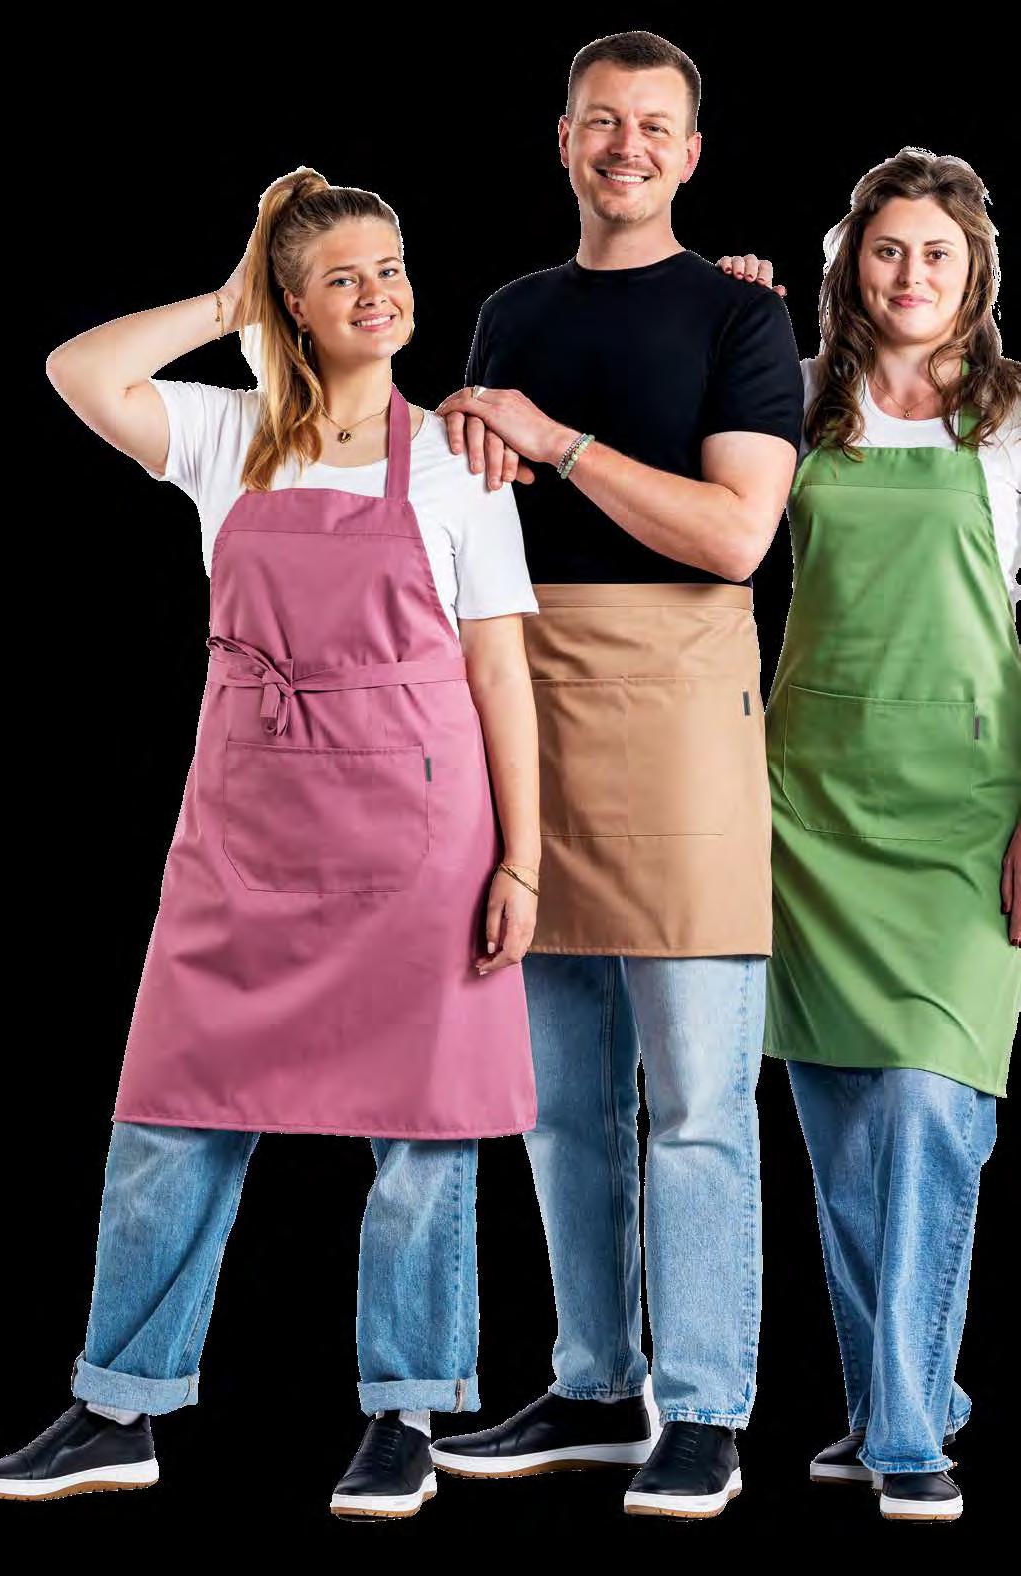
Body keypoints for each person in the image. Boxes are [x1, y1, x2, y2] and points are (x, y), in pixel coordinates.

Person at [0, 168, 544, 1520]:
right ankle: (118, 1406)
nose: (377, 294)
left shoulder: (454, 461)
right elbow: (78, 370)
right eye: (341, 277)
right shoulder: (228, 435)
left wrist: (522, 859)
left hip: (421, 833)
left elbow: (501, 674)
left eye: (390, 268)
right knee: (170, 1113)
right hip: (246, 829)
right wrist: (227, 299)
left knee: (424, 1137)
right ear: (291, 304)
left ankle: (405, 1417)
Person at [420, 32, 804, 1518]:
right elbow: (473, 514)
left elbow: (735, 536)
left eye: (653, 125)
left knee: (697, 1098)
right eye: (600, 121)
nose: (624, 145)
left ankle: (704, 1409)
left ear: (690, 154)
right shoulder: (509, 311)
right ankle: (592, 1385)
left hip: (683, 708)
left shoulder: (739, 315)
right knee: (557, 1100)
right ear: (564, 140)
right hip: (522, 699)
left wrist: (553, 441)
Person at [716, 149, 1020, 1523]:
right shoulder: (794, 397)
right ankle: (893, 1407)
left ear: (974, 272)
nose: (909, 275)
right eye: (886, 250)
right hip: (809, 806)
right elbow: (687, 483)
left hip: (965, 811)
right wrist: (714, 313)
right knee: (841, 1127)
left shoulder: (1011, 423)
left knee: (929, 1113)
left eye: (935, 253)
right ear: (851, 265)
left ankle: (908, 1437)